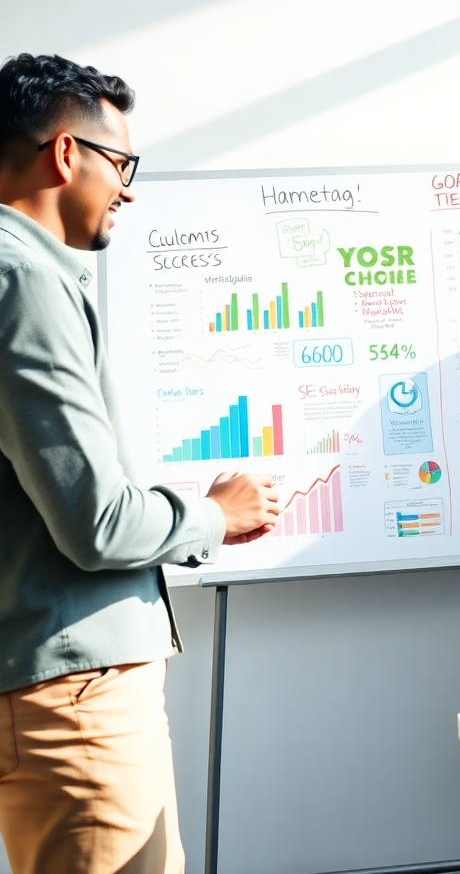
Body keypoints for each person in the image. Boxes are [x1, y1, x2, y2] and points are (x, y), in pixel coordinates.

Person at [0, 54, 280, 874]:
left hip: (54, 687)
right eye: (121, 163)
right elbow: (96, 523)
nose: (128, 187)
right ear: (64, 155)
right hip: (76, 703)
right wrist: (215, 516)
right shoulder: (24, 279)